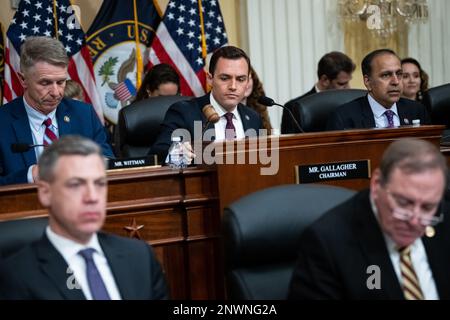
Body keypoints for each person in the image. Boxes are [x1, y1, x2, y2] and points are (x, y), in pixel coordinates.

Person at [0, 136, 168, 300]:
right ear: (45, 193)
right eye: (75, 184)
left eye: (99, 183)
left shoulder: (140, 257)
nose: (92, 197)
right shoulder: (16, 276)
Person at [288, 138, 450, 300]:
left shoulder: (444, 219)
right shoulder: (327, 243)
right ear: (376, 184)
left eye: (427, 208)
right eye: (403, 203)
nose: (415, 221)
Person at [0, 36, 114, 186]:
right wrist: (29, 175)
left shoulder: (84, 114)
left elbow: (109, 164)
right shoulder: (3, 122)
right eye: (45, 83)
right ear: (23, 80)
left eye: (61, 82)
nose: (56, 92)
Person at [150, 46, 263, 160]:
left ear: (248, 82)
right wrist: (175, 153)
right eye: (225, 78)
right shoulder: (184, 112)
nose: (233, 86)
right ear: (210, 79)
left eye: (240, 79)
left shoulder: (253, 118)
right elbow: (157, 154)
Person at [326, 49, 430, 131]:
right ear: (367, 81)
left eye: (399, 74)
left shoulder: (417, 110)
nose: (396, 81)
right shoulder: (344, 117)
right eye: (386, 75)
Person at [282, 51, 356, 133]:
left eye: (348, 82)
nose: (349, 88)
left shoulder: (351, 104)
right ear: (325, 80)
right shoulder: (292, 109)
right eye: (341, 84)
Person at [242, 67, 272, 132]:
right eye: (242, 79)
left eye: (249, 78)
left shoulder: (257, 110)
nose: (246, 85)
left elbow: (265, 137)